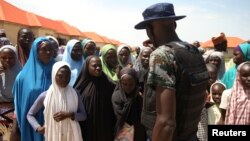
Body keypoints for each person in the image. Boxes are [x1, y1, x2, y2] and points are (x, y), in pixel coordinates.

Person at [134, 3, 209, 141]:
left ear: (149, 30)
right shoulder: (194, 51)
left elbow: (166, 123)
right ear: (174, 25)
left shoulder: (162, 55)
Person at [27, 61, 86, 141]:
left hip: (73, 135)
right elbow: (30, 114)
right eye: (60, 76)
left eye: (67, 76)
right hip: (53, 134)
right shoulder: (45, 96)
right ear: (54, 75)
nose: (64, 79)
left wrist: (69, 115)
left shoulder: (75, 94)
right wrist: (38, 127)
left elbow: (83, 116)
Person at [12, 37, 54, 141]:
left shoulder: (58, 73)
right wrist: (14, 129)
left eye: (50, 49)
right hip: (31, 126)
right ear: (36, 51)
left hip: (53, 125)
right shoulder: (22, 77)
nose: (48, 52)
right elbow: (18, 105)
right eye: (44, 49)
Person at [73, 55, 116, 141]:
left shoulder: (109, 83)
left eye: (100, 65)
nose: (98, 68)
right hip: (87, 124)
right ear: (87, 67)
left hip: (104, 124)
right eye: (94, 66)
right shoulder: (81, 85)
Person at [112, 68, 146, 141]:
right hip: (122, 130)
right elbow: (120, 115)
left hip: (138, 130)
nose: (128, 87)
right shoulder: (117, 96)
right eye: (125, 84)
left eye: (131, 84)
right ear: (120, 83)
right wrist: (130, 100)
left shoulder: (138, 95)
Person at [0, 45, 21, 127]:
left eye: (11, 57)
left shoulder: (22, 75)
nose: (7, 60)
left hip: (16, 116)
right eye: (3, 58)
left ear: (16, 58)